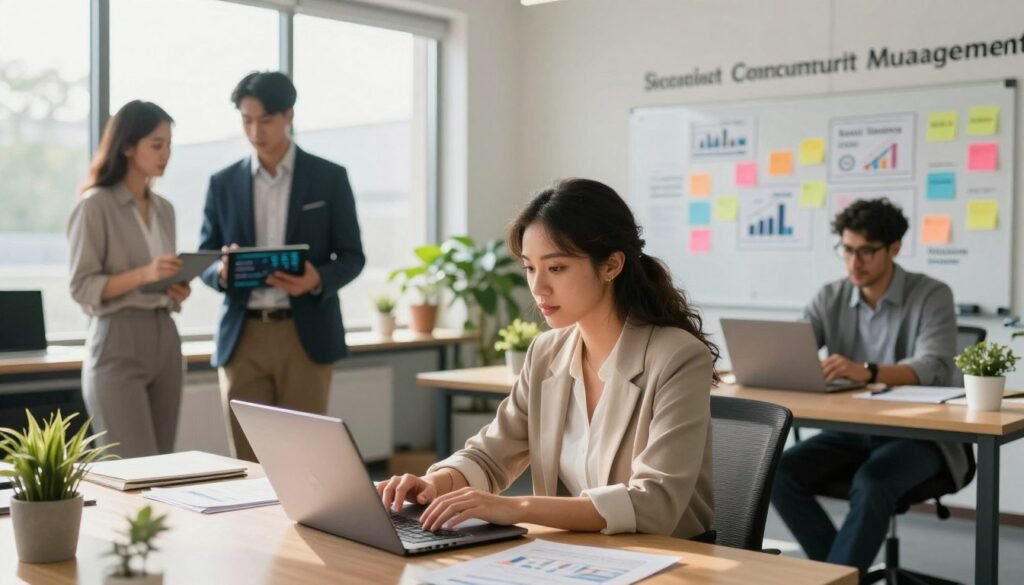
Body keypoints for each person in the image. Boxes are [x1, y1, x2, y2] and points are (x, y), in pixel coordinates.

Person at [377, 178, 717, 538]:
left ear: (611, 266)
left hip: (666, 560)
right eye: (529, 268)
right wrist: (435, 483)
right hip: (572, 558)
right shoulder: (546, 353)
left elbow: (653, 505)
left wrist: (516, 507)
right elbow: (490, 455)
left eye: (556, 268)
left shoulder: (678, 357)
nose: (538, 288)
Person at [771, 198, 964, 576]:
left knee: (873, 480)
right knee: (777, 471)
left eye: (866, 252)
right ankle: (843, 576)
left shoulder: (932, 294)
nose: (854, 263)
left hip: (924, 435)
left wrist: (867, 371)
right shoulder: (831, 296)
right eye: (847, 250)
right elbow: (794, 350)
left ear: (894, 248)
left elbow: (934, 366)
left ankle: (838, 576)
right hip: (852, 431)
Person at [199, 71, 365, 462]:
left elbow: (353, 256)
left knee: (303, 457)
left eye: (266, 120)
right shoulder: (222, 183)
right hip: (243, 337)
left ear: (288, 114)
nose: (255, 131)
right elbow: (205, 256)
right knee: (247, 459)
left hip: (305, 334)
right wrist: (220, 272)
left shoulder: (329, 177)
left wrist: (316, 279)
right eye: (246, 120)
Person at [67, 100, 188, 457]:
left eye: (169, 145)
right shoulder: (95, 206)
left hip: (165, 335)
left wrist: (174, 287)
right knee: (132, 465)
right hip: (117, 339)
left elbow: (159, 278)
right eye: (156, 144)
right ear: (127, 146)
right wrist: (145, 274)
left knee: (163, 465)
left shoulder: (166, 210)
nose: (165, 154)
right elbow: (81, 286)